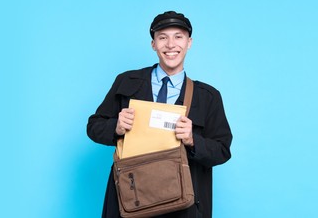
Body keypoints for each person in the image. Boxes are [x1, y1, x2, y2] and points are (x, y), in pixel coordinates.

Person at [87, 11, 233, 218]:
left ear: (189, 43)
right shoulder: (126, 81)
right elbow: (93, 127)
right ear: (153, 44)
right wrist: (116, 126)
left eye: (178, 37)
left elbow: (222, 150)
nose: (171, 45)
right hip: (131, 198)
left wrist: (193, 140)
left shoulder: (208, 96)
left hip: (183, 205)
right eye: (162, 37)